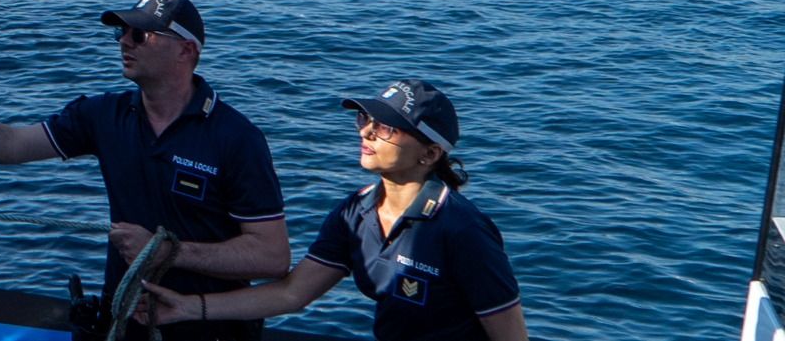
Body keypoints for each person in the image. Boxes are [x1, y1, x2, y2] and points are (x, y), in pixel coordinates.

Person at [0, 0, 290, 339]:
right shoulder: (103, 115)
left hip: (207, 328)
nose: (124, 41)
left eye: (139, 35)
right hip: (124, 323)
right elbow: (9, 146)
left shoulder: (237, 138)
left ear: (186, 50)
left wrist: (169, 253)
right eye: (120, 33)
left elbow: (272, 256)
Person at [141, 81, 526, 340]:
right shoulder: (355, 214)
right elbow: (293, 293)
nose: (367, 132)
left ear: (430, 153)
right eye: (366, 118)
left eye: (387, 128)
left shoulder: (462, 229)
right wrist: (187, 308)